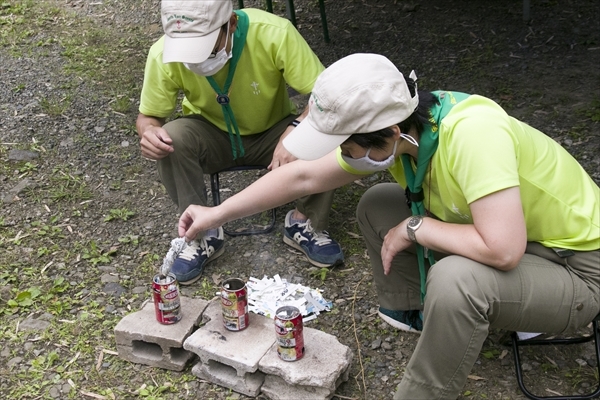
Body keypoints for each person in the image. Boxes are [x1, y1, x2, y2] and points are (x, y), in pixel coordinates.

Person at [177, 53, 600, 399]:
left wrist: (415, 228)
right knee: (379, 203)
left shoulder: (473, 136)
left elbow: (504, 250)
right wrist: (216, 213)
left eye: (347, 145)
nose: (343, 154)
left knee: (457, 279)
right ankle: (425, 313)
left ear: (391, 132)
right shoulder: (411, 132)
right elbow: (303, 177)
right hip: (518, 240)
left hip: (575, 267)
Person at [136, 0, 344, 285]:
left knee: (328, 130)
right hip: (211, 134)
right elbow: (149, 116)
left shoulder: (273, 32)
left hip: (273, 131)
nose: (197, 60)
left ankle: (304, 222)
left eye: (206, 47)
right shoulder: (162, 53)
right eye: (187, 51)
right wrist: (149, 132)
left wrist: (295, 129)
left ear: (231, 23)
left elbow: (327, 95)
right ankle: (200, 233)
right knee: (172, 137)